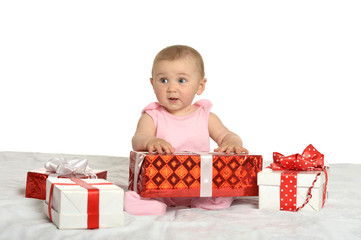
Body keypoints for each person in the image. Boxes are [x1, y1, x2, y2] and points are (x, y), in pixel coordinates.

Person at [125, 45, 249, 215]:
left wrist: (232, 143)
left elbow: (227, 135)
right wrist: (150, 141)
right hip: (161, 184)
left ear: (200, 86)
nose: (171, 88)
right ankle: (151, 202)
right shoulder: (153, 116)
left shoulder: (205, 116)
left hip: (198, 185)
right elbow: (138, 139)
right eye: (163, 80)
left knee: (223, 190)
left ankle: (204, 200)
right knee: (143, 194)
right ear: (153, 84)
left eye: (181, 80)